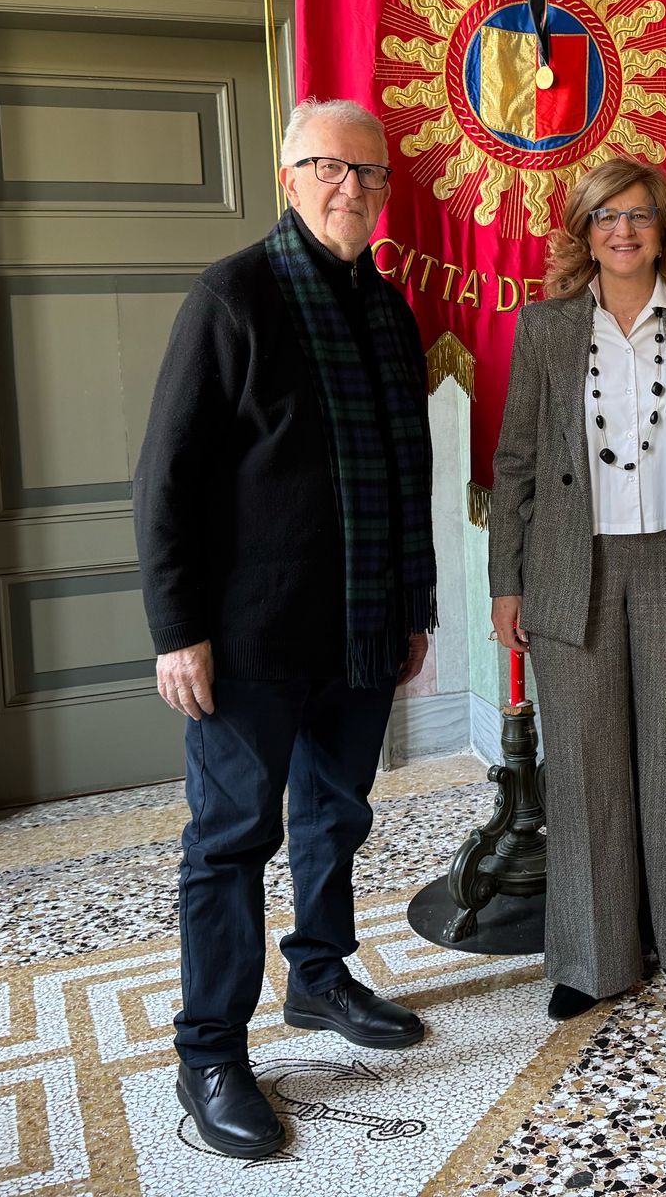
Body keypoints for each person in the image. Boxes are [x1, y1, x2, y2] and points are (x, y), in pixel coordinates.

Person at [134, 97, 435, 1158]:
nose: (349, 187)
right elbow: (164, 480)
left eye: (368, 173)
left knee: (334, 816)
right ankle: (209, 1051)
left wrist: (414, 608)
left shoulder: (387, 309)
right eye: (327, 168)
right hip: (246, 640)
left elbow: (409, 476)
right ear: (288, 177)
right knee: (229, 843)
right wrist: (179, 631)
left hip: (357, 628)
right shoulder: (232, 297)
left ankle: (318, 979)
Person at [489, 155, 666, 1022]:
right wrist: (507, 584)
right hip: (573, 568)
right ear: (585, 232)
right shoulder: (545, 329)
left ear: (663, 227)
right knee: (583, 769)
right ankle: (589, 955)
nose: (624, 231)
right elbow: (516, 464)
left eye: (639, 215)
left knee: (664, 757)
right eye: (606, 217)